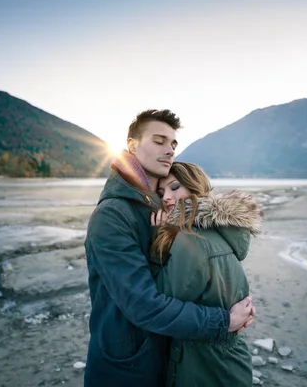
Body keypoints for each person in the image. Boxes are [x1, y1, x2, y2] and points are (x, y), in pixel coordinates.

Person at [84, 109, 255, 386]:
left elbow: (193, 273)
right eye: (159, 141)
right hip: (126, 368)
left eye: (173, 144)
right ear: (132, 145)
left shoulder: (160, 206)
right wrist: (223, 322)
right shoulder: (112, 215)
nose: (169, 150)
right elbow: (143, 304)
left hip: (167, 360)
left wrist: (235, 301)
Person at [152, 162, 261, 386]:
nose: (166, 197)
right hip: (227, 360)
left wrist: (157, 241)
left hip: (206, 367)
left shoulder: (191, 238)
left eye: (174, 187)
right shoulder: (217, 232)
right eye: (161, 192)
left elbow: (159, 300)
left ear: (195, 188)